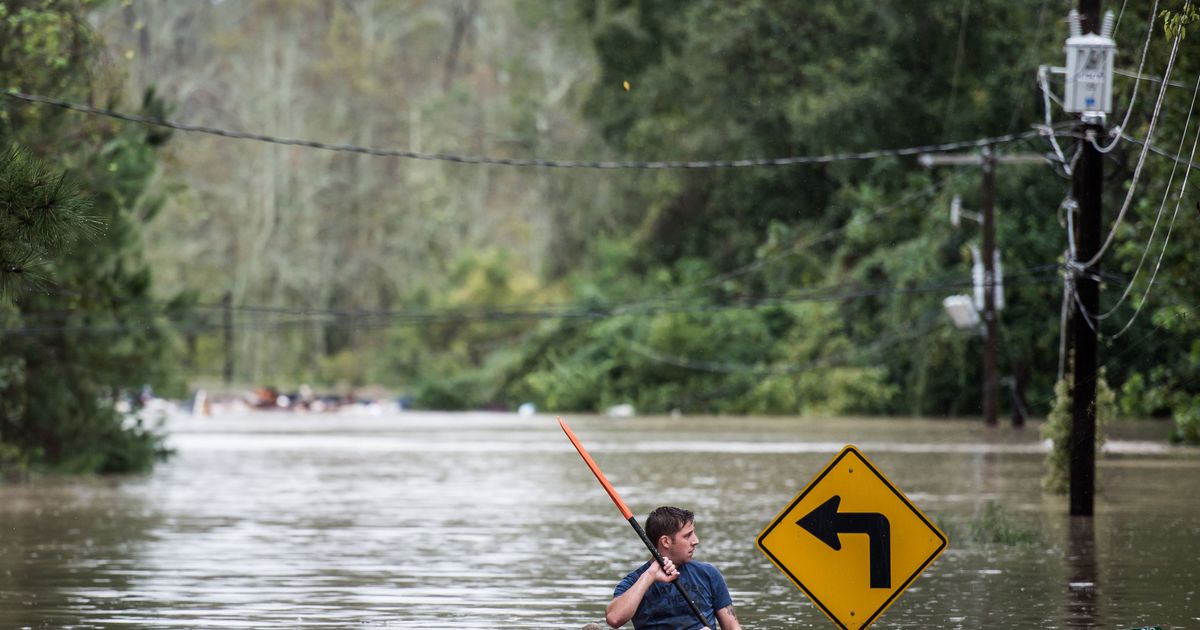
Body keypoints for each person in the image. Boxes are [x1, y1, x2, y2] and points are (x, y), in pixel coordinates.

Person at [605, 506, 742, 630]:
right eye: (687, 535)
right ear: (666, 542)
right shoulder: (634, 582)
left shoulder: (708, 574)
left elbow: (732, 626)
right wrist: (650, 575)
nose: (695, 541)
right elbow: (614, 619)